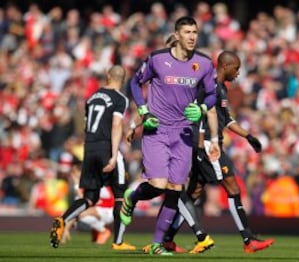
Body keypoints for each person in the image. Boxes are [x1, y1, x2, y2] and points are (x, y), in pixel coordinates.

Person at [144, 51, 275, 254]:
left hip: (210, 145)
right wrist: (199, 140)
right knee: (232, 186)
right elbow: (192, 109)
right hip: (206, 147)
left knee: (193, 193)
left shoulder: (220, 88)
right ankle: (248, 240)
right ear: (225, 66)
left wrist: (248, 136)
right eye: (236, 68)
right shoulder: (207, 85)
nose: (238, 73)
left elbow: (227, 120)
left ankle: (167, 239)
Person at [120, 16, 220, 255]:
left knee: (175, 189)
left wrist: (203, 108)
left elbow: (213, 94)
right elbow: (135, 83)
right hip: (157, 129)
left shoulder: (204, 63)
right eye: (187, 32)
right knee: (158, 184)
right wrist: (143, 112)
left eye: (195, 32)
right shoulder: (157, 59)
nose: (192, 36)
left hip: (184, 133)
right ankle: (132, 197)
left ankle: (156, 243)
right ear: (176, 35)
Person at [49, 65, 135, 251]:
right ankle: (118, 242)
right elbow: (116, 125)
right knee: (121, 195)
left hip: (89, 149)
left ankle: (63, 219)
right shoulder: (120, 98)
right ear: (124, 78)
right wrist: (113, 156)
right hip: (106, 147)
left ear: (106, 75)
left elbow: (88, 126)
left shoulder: (93, 97)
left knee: (90, 197)